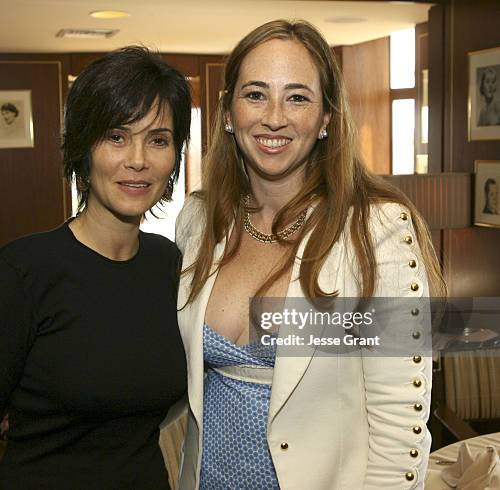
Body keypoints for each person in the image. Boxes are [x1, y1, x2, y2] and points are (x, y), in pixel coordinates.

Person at [175, 20, 446, 490]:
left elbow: (398, 423)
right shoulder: (199, 221)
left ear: (325, 119)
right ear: (226, 112)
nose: (274, 117)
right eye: (255, 94)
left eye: (297, 97)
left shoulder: (376, 230)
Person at [0, 46, 191, 489]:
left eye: (158, 139)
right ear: (83, 146)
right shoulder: (25, 271)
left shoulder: (172, 265)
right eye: (116, 136)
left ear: (175, 155)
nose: (137, 159)